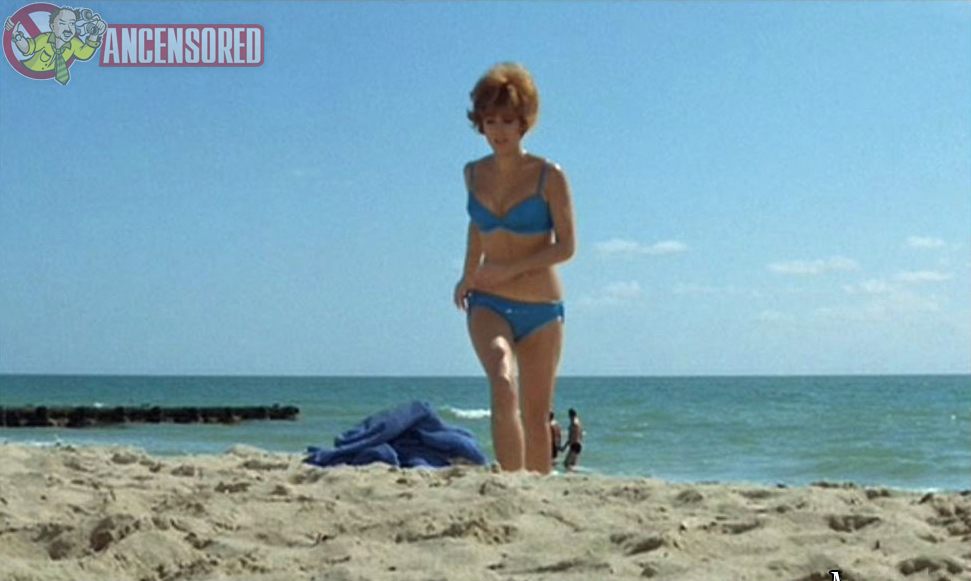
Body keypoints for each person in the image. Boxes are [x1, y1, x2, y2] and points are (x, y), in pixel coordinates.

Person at [453, 62, 577, 475]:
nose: (499, 130)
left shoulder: (548, 175)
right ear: (480, 123)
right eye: (490, 121)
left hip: (542, 309)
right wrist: (467, 274)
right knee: (503, 381)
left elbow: (567, 246)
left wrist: (509, 270)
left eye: (507, 120)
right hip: (487, 301)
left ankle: (537, 496)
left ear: (524, 122)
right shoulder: (473, 174)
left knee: (537, 414)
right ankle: (509, 484)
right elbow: (477, 226)